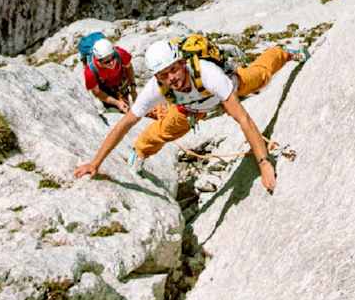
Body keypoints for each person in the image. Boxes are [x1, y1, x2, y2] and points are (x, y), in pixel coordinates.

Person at [75, 38, 309, 192]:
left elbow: (243, 119)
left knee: (261, 76)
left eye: (174, 69)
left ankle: (284, 52)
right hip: (191, 109)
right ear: (157, 77)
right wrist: (95, 163)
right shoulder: (156, 88)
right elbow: (124, 124)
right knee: (162, 130)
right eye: (164, 75)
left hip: (227, 89)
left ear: (182, 62)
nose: (172, 78)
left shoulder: (208, 74)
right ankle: (140, 152)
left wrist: (264, 163)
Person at [84, 38, 137, 113]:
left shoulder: (120, 54)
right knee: (117, 114)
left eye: (113, 57)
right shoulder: (90, 72)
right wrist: (117, 103)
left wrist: (133, 88)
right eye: (107, 61)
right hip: (106, 93)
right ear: (98, 61)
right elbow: (97, 92)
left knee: (126, 109)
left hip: (121, 84)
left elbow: (129, 67)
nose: (112, 63)